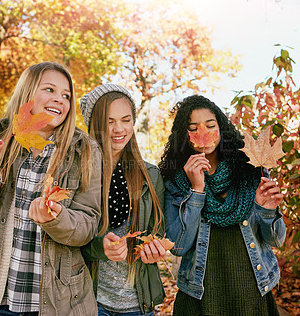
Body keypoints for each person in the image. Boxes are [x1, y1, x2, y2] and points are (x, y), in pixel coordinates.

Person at [0, 62, 102, 316]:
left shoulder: (85, 150)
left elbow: (88, 227)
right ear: (27, 92)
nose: (59, 100)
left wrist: (56, 219)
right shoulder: (0, 139)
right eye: (49, 90)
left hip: (58, 302)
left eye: (66, 95)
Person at [158, 95, 286, 316]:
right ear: (184, 136)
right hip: (199, 297)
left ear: (222, 128)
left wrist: (267, 210)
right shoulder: (175, 182)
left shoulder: (251, 171)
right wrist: (197, 190)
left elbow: (277, 239)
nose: (204, 134)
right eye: (193, 128)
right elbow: (178, 246)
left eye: (210, 126)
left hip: (251, 293)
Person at [80, 84, 166, 316]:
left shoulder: (150, 175)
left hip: (138, 303)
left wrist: (154, 249)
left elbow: (159, 230)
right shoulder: (81, 173)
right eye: (109, 121)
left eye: (126, 120)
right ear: (95, 125)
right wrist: (101, 248)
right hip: (90, 301)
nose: (119, 129)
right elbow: (69, 239)